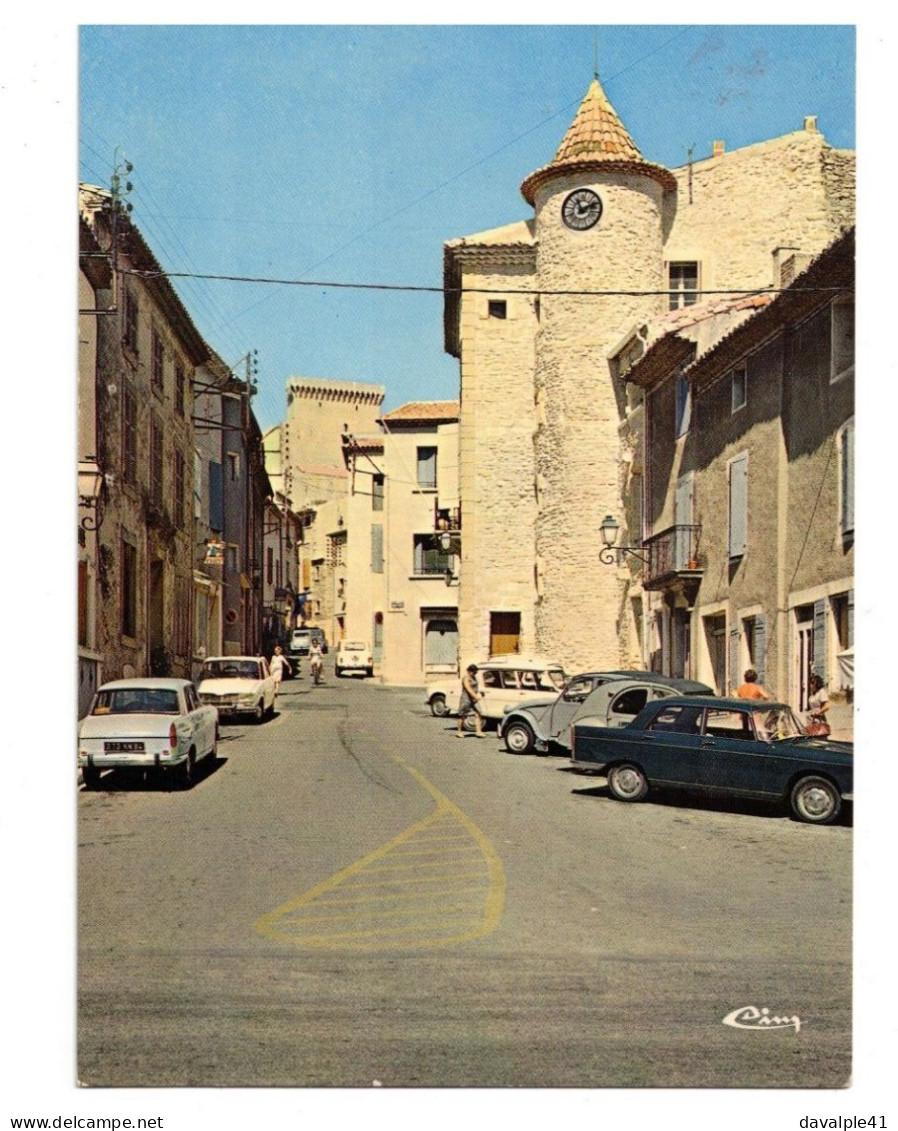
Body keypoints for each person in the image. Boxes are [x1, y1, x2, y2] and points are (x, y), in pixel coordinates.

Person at [456, 664, 486, 738]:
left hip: (473, 700)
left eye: (475, 672)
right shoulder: (465, 678)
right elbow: (468, 688)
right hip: (466, 699)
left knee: (478, 713)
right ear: (469, 671)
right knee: (462, 715)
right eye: (473, 672)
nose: (474, 673)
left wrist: (479, 693)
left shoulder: (474, 677)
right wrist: (475, 696)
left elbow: (476, 687)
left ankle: (478, 731)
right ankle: (459, 732)